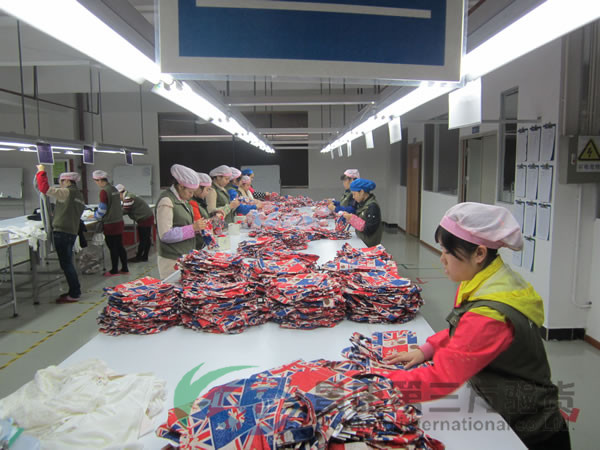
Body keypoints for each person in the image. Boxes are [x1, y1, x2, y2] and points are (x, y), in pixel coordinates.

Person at [380, 202, 570, 450]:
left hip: (530, 432)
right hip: (507, 411)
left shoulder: (490, 313)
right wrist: (427, 349)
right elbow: (464, 333)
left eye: (447, 251)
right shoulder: (489, 280)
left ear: (479, 254)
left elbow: (442, 377)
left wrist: (380, 386)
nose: (442, 258)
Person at [35, 165, 85, 303]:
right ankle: (74, 290)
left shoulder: (67, 192)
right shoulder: (79, 194)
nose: (60, 185)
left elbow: (44, 189)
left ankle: (74, 293)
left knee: (66, 264)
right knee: (68, 263)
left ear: (67, 181)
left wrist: (41, 172)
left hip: (62, 232)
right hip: (72, 231)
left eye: (61, 182)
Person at [155, 164, 208, 279]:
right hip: (171, 259)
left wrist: (198, 228)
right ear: (180, 186)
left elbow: (183, 224)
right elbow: (165, 235)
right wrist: (193, 228)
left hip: (184, 255)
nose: (191, 195)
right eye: (190, 192)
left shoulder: (183, 200)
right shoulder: (167, 201)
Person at [92, 170, 128, 277]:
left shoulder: (104, 191)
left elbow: (102, 208)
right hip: (119, 221)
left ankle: (114, 270)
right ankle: (125, 268)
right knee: (119, 246)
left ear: (99, 180)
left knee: (112, 247)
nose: (96, 183)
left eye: (95, 181)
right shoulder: (114, 189)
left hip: (110, 224)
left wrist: (96, 216)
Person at [115, 184, 154, 263]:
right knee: (146, 238)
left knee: (144, 239)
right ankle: (144, 256)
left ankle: (139, 257)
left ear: (120, 193)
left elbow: (125, 210)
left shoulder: (128, 198)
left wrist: (113, 213)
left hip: (144, 218)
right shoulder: (129, 195)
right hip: (147, 217)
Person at [342, 178, 382, 247]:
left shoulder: (372, 207)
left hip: (368, 245)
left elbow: (369, 229)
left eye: (354, 194)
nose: (353, 197)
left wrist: (353, 219)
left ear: (362, 192)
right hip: (361, 241)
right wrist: (349, 218)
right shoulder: (363, 204)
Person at [189, 172, 213, 249]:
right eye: (207, 190)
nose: (207, 193)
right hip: (199, 243)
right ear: (198, 188)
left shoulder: (199, 201)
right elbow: (200, 224)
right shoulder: (192, 203)